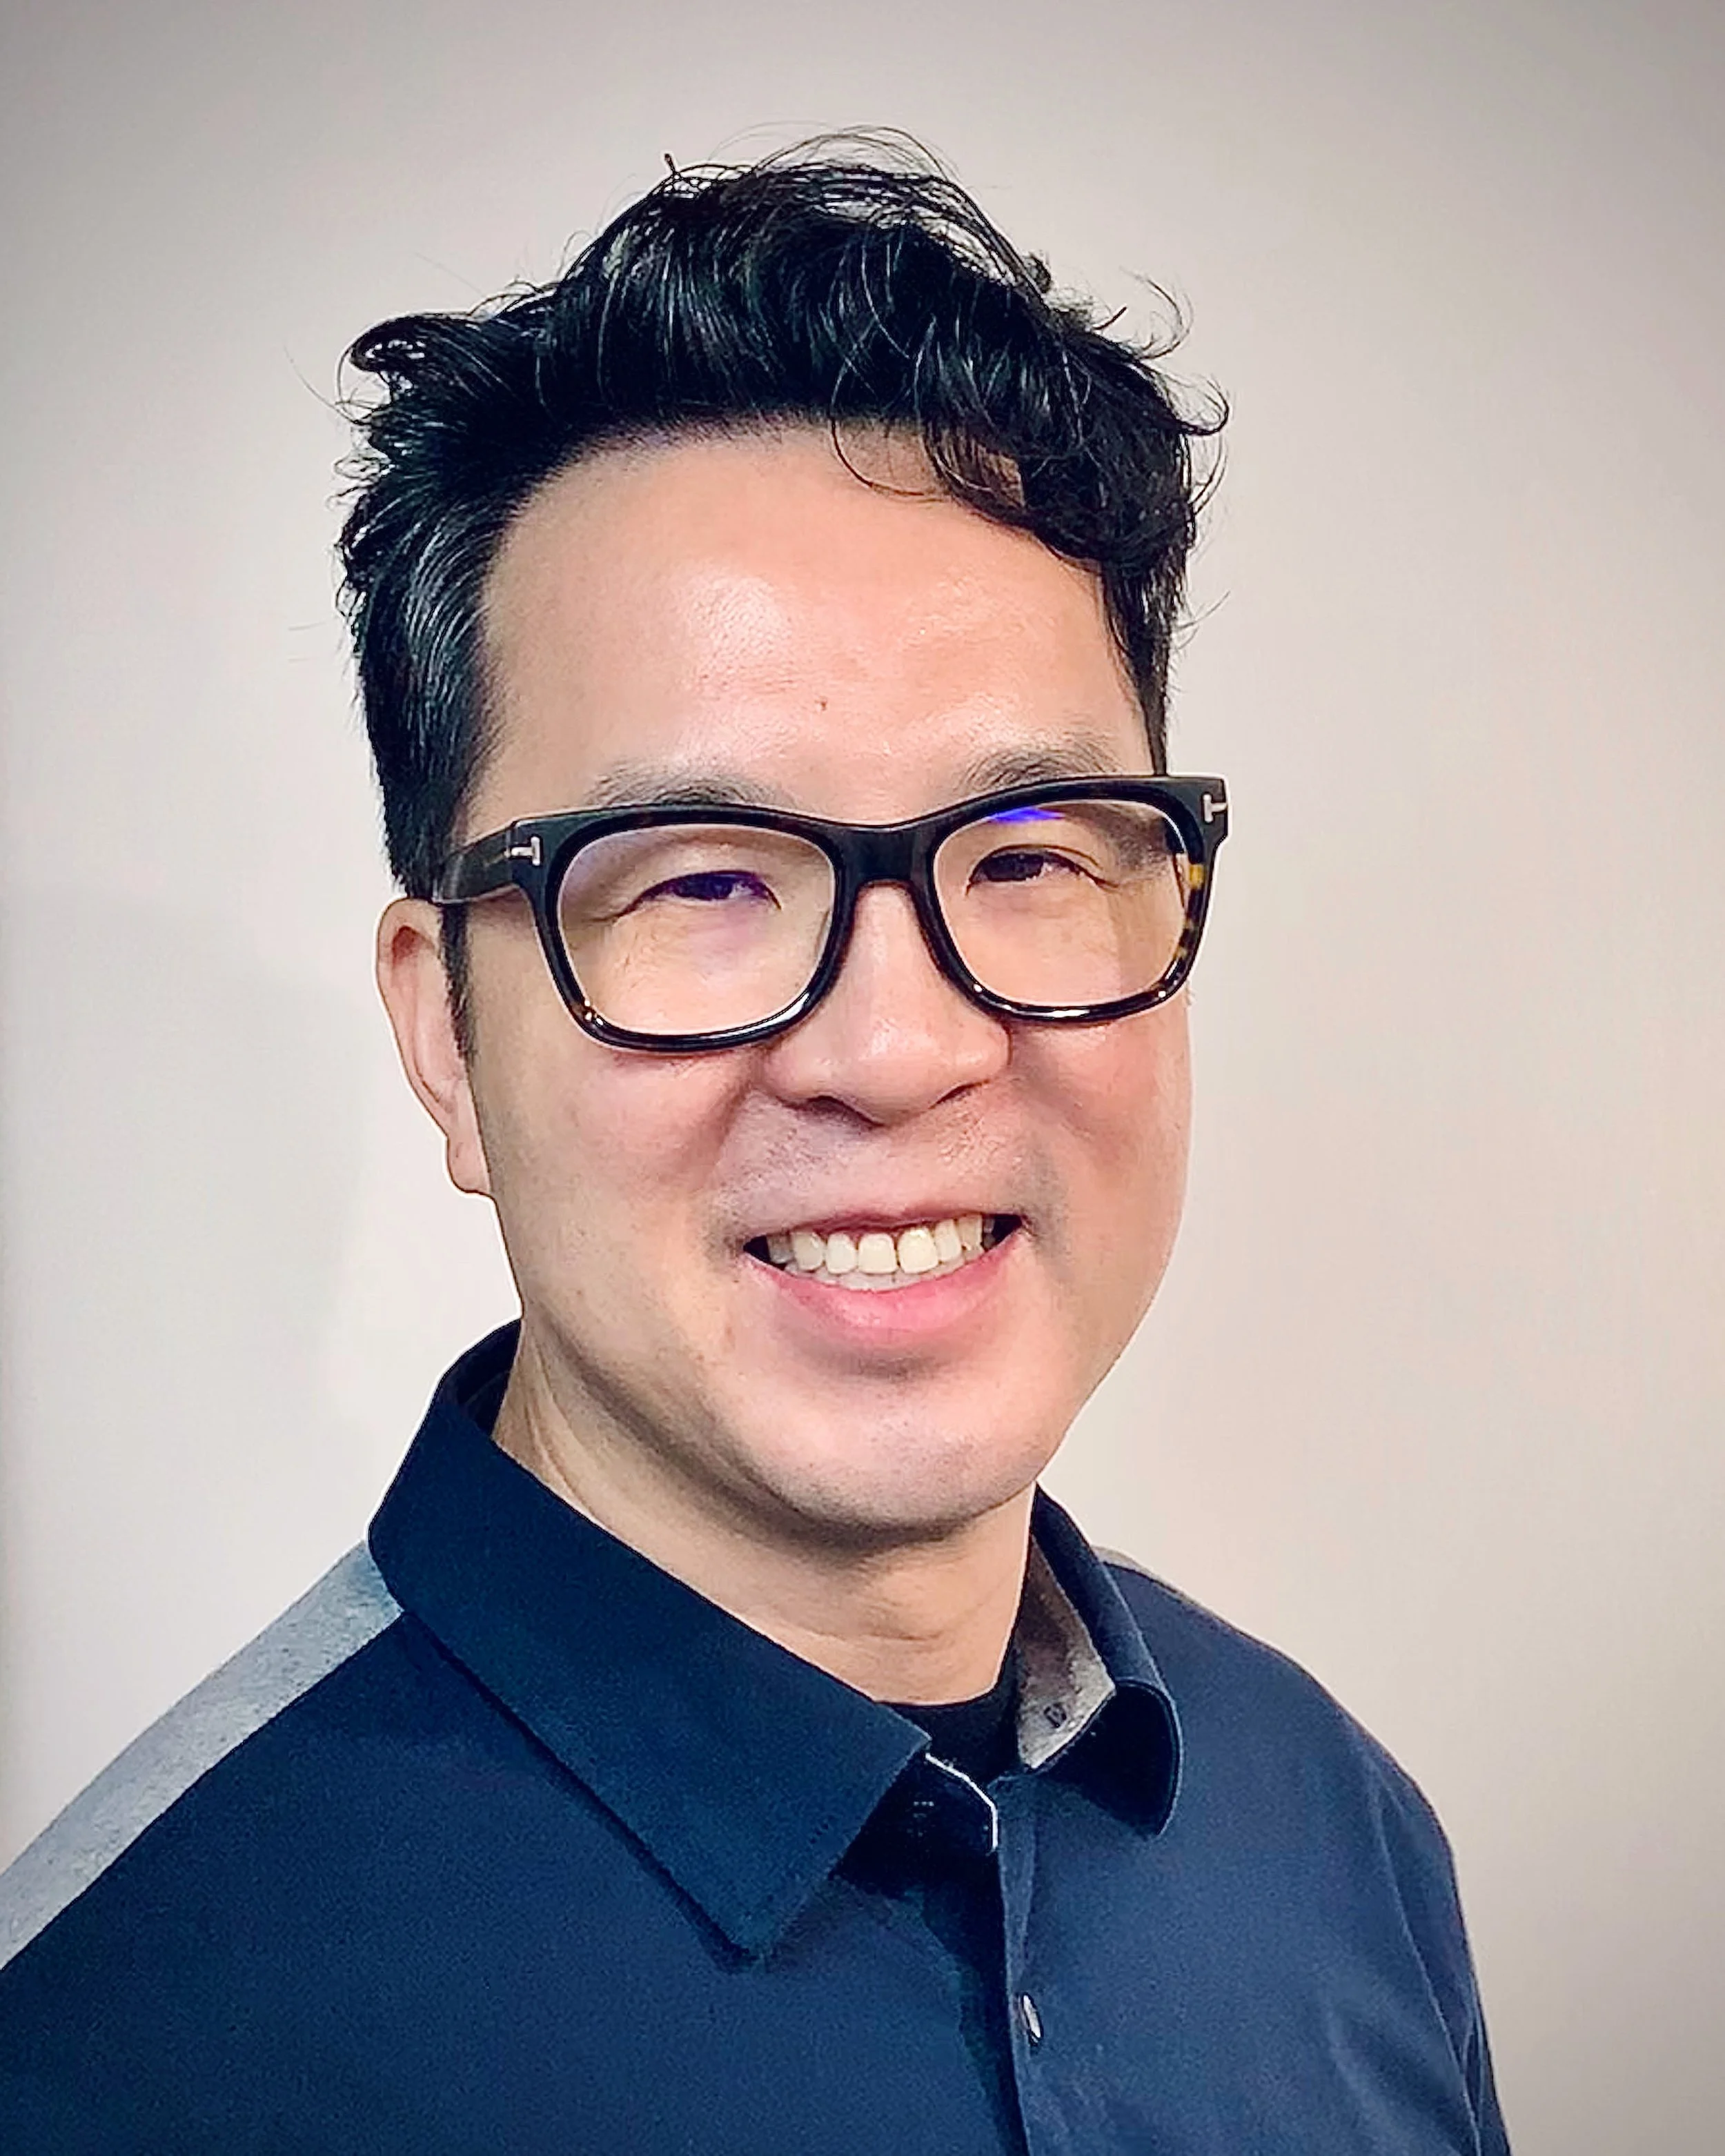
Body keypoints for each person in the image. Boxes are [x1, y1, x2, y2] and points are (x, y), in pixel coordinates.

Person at [0, 139, 1509, 2153]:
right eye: (700, 878)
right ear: (446, 1031)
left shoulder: (1335, 1827)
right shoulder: (120, 2054)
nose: (896, 1048)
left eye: (1033, 852)